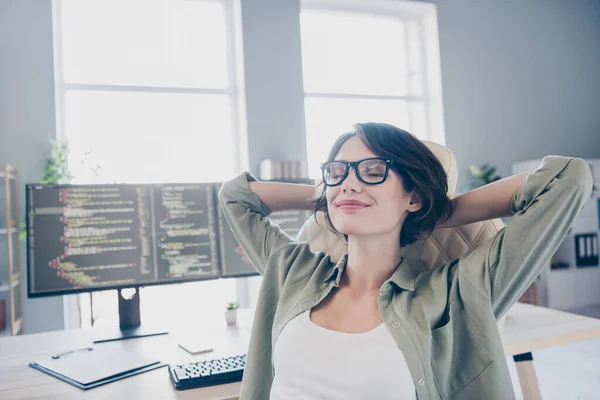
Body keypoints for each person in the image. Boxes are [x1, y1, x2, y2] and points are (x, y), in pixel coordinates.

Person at [218, 122, 593, 400]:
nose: (349, 183)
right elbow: (235, 197)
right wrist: (332, 196)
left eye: (373, 171)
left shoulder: (455, 295)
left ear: (412, 196)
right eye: (337, 171)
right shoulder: (293, 272)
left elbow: (567, 178)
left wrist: (434, 211)